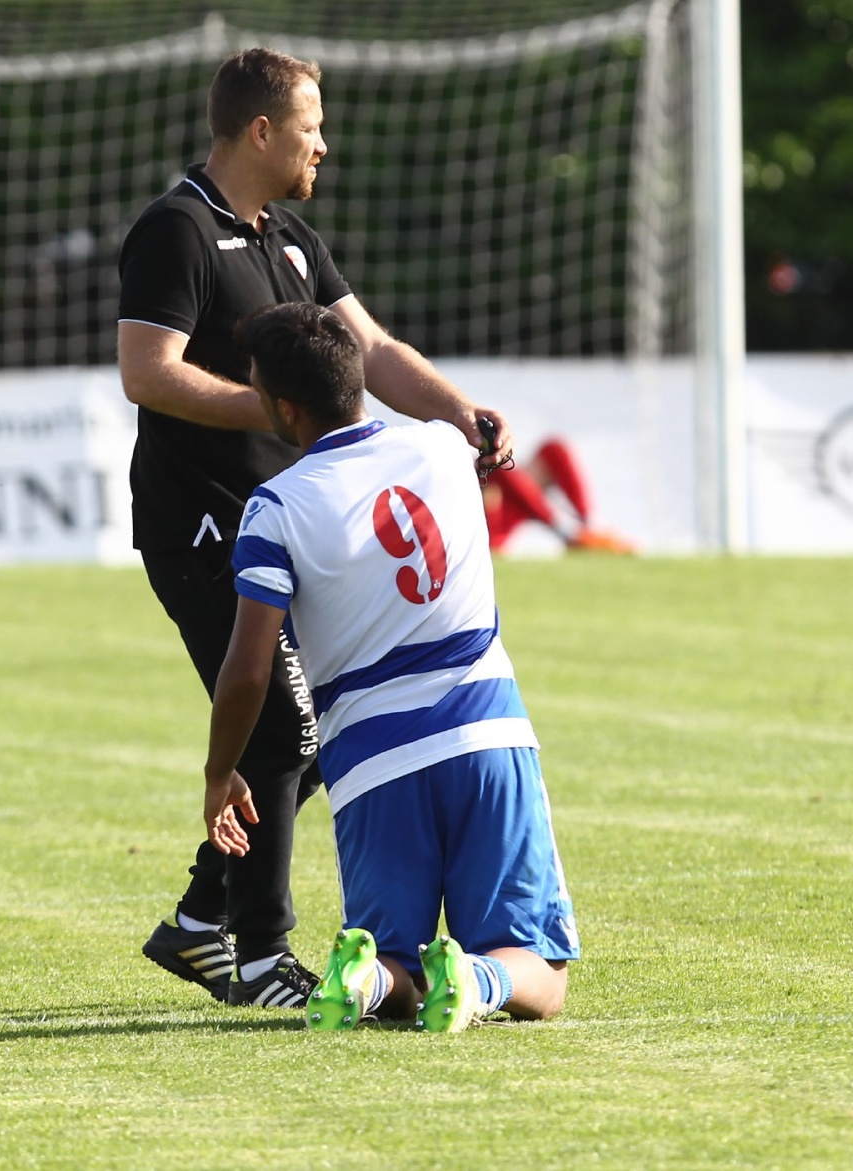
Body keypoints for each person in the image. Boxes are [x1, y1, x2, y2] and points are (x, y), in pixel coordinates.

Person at [118, 47, 514, 1009]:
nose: (322, 144)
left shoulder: (290, 239)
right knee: (289, 723)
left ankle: (201, 920)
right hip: (202, 527)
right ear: (262, 130)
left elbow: (370, 349)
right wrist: (273, 407)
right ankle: (260, 958)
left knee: (308, 729)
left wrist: (458, 412)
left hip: (291, 525)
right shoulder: (173, 231)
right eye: (310, 126)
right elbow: (147, 371)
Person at [204, 301, 578, 1032]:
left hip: (370, 760)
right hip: (484, 731)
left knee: (396, 963)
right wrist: (479, 424)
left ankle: (369, 979)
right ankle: (475, 975)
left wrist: (221, 772)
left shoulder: (274, 507)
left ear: (284, 407)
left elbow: (249, 670)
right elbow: (479, 437)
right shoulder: (442, 446)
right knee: (541, 971)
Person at [483, 439, 635, 555]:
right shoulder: (496, 475)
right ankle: (588, 528)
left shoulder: (517, 499)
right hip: (485, 540)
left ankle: (591, 524)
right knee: (500, 468)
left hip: (507, 520)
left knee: (552, 451)